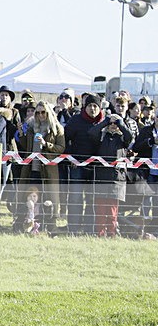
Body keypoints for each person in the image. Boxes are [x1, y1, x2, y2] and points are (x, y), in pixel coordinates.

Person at [64, 94, 105, 234]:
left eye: (95, 106)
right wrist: (71, 157)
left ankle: (89, 228)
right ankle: (73, 228)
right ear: (84, 107)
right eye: (89, 106)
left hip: (96, 168)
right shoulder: (75, 120)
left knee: (91, 198)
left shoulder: (104, 122)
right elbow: (65, 140)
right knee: (75, 197)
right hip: (77, 165)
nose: (92, 109)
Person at [88, 113, 132, 236]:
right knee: (101, 210)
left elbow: (130, 136)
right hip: (101, 177)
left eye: (115, 124)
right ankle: (100, 234)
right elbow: (91, 133)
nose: (113, 125)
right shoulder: (102, 136)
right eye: (111, 123)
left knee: (112, 211)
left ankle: (112, 233)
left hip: (116, 179)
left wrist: (120, 123)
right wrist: (105, 121)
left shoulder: (123, 139)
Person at [20, 101, 65, 211]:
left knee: (48, 198)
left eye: (43, 112)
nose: (40, 115)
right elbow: (27, 146)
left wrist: (46, 144)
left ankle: (50, 222)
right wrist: (21, 134)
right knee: (31, 196)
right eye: (38, 113)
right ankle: (30, 220)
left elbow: (61, 148)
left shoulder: (57, 128)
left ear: (48, 113)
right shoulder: (32, 126)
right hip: (32, 168)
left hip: (48, 168)